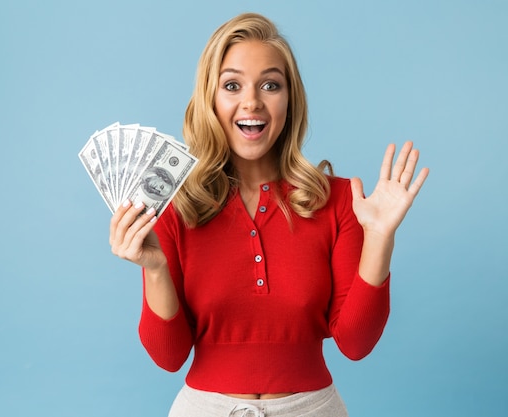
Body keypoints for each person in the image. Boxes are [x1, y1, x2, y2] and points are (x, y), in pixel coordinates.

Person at [109, 12, 429, 417]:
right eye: (232, 85)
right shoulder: (177, 207)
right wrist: (154, 268)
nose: (252, 102)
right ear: (210, 99)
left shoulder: (342, 200)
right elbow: (169, 356)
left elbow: (355, 343)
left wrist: (381, 237)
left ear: (289, 99)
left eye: (270, 85)